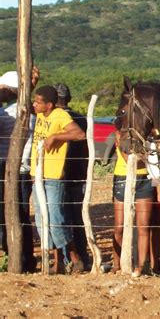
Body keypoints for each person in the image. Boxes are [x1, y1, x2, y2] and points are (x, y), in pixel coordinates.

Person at [30, 85, 85, 274]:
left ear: (49, 105)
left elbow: (79, 134)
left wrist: (56, 136)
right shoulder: (39, 115)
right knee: (41, 218)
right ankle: (57, 263)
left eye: (38, 102)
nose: (34, 104)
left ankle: (74, 257)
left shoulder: (59, 115)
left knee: (56, 219)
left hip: (53, 175)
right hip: (37, 174)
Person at [0, 69, 38, 272]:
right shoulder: (23, 110)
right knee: (19, 215)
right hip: (19, 168)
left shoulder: (12, 112)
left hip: (12, 169)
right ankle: (24, 258)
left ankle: (18, 258)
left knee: (13, 215)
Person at [53, 83, 90, 268]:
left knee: (59, 217)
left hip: (60, 174)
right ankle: (81, 257)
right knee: (77, 219)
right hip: (78, 173)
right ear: (69, 98)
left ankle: (65, 259)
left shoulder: (56, 117)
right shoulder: (80, 118)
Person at [111, 131, 156, 277]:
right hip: (123, 177)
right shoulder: (120, 133)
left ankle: (141, 266)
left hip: (145, 178)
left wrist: (145, 157)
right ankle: (116, 263)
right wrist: (146, 157)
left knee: (143, 225)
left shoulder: (149, 132)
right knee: (119, 226)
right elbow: (127, 159)